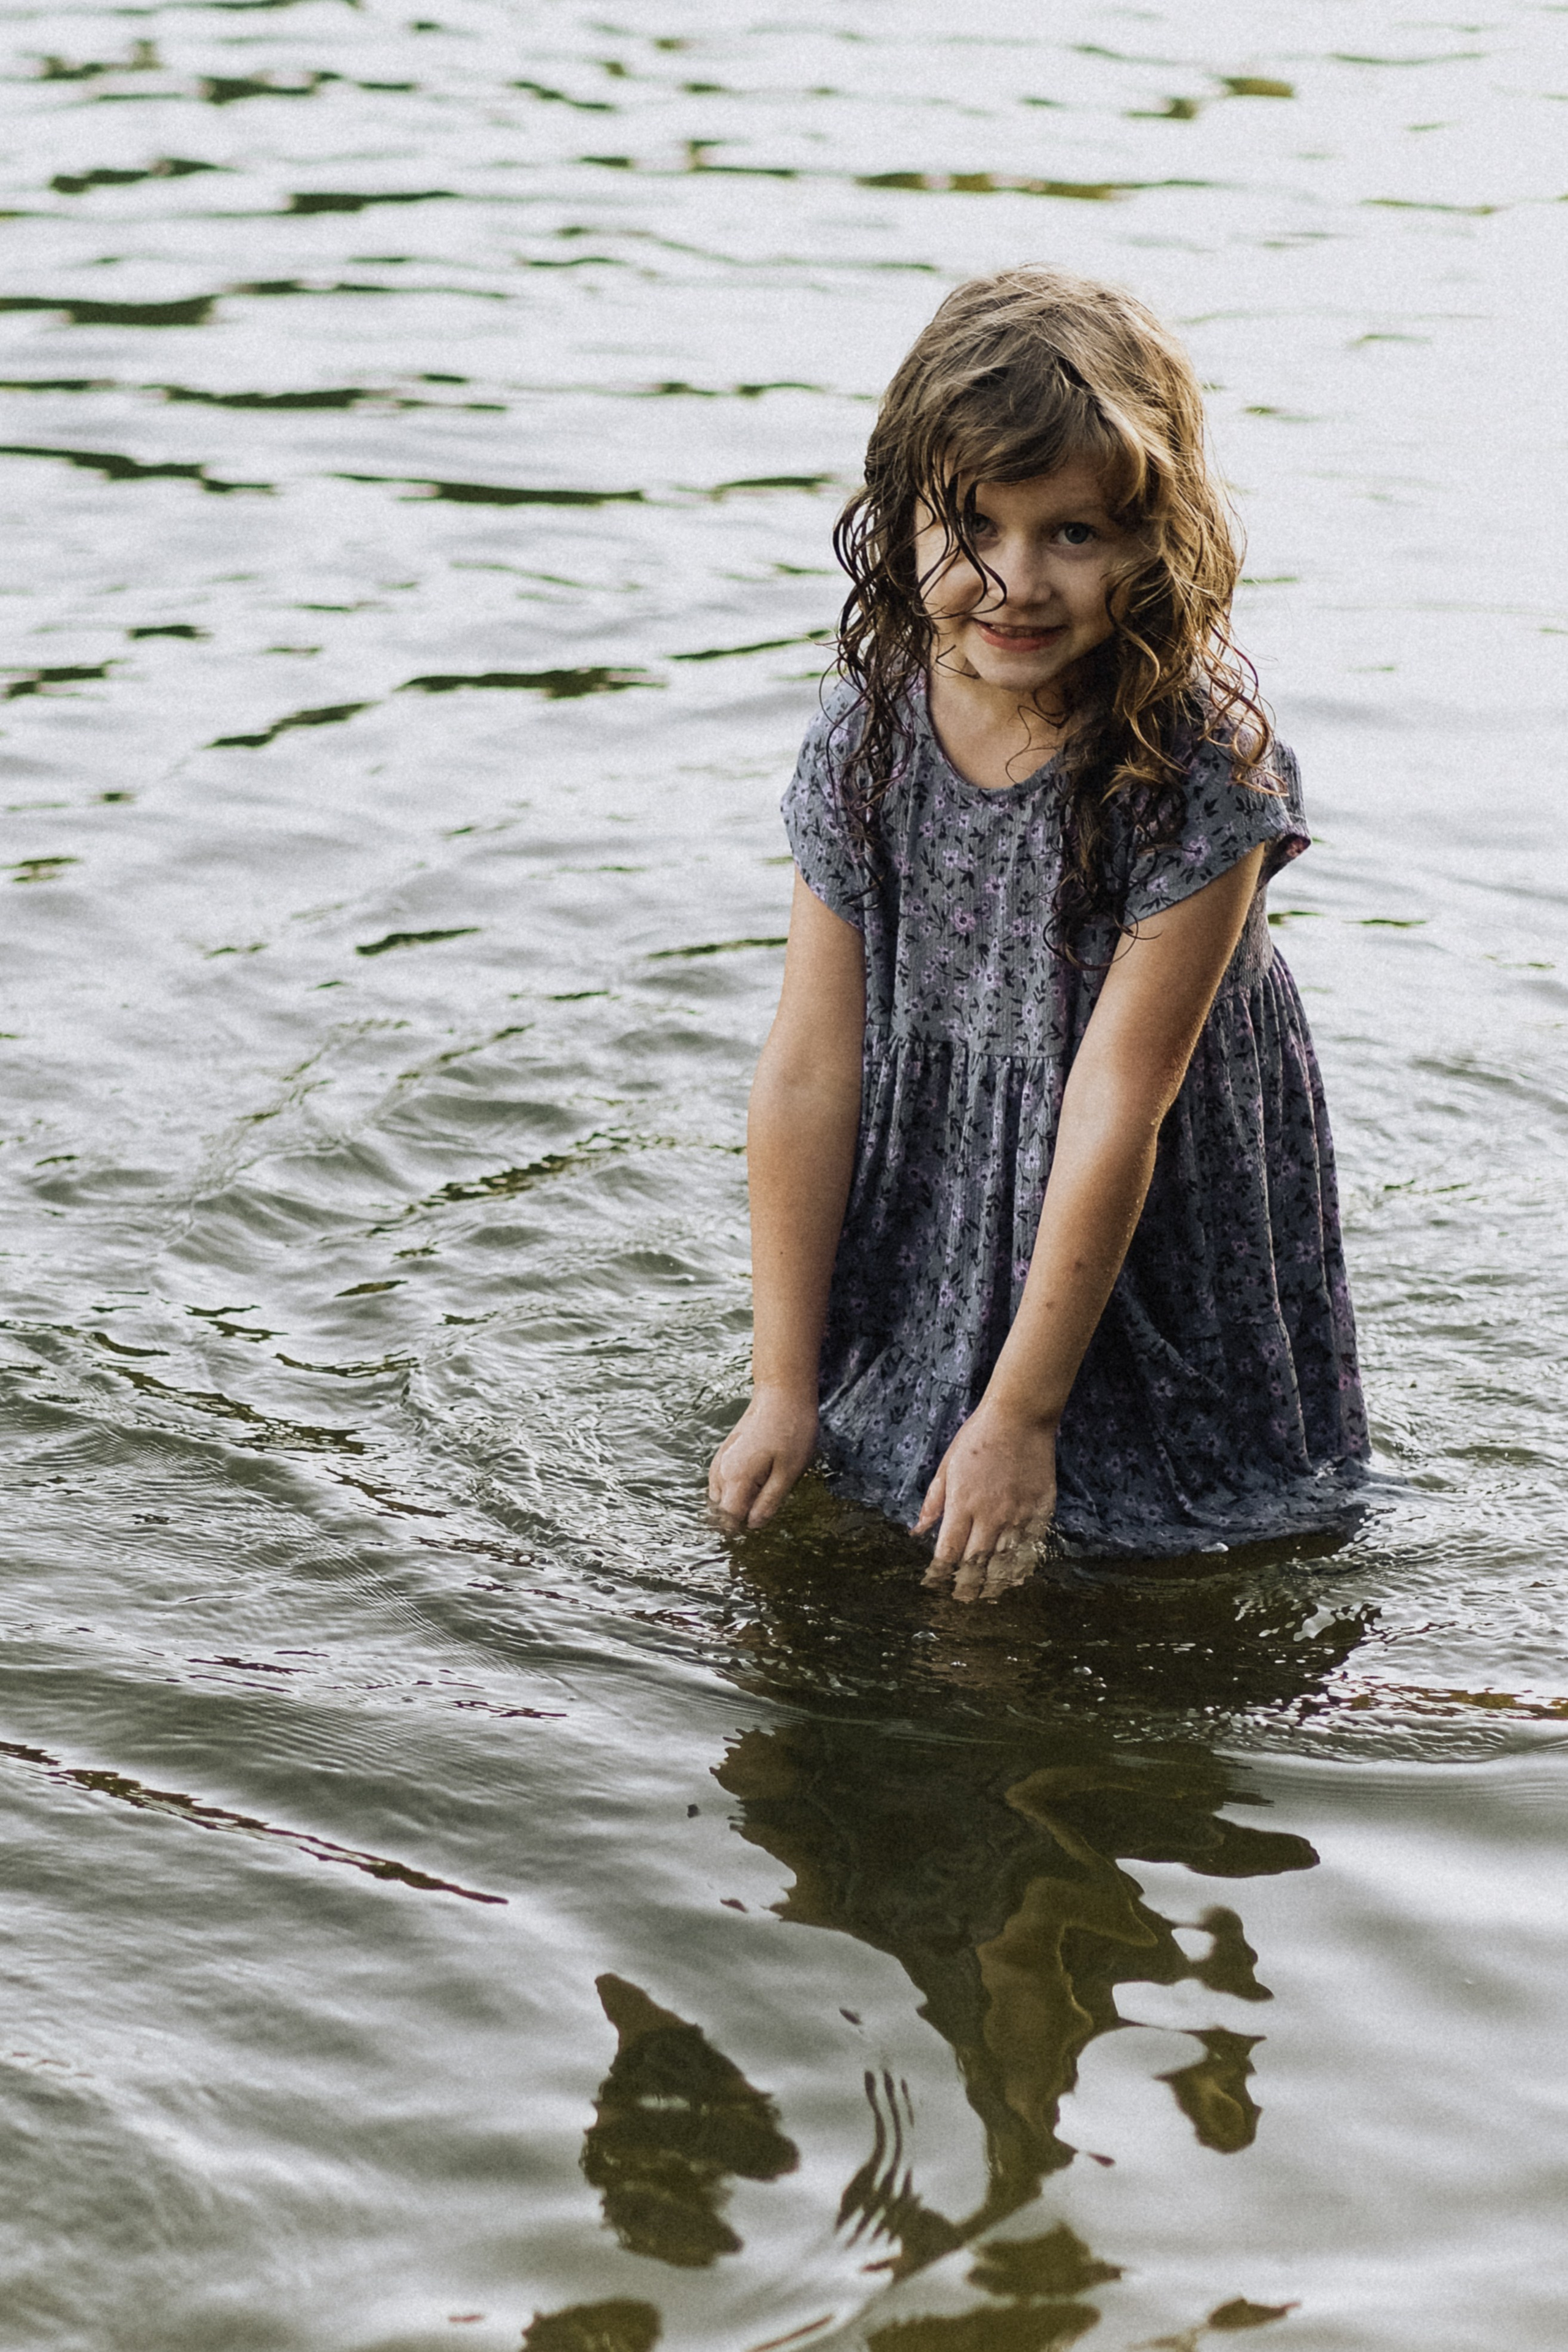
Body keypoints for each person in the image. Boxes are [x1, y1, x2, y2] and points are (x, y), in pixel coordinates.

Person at [707, 265, 1368, 1601]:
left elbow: (1118, 1103)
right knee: (869, 1520)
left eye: (1071, 534)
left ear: (1154, 540)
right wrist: (780, 1384)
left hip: (1138, 1186)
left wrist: (1020, 1417)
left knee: (1140, 1556)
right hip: (940, 1164)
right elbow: (807, 1066)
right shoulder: (868, 734)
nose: (1013, 582)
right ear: (893, 523)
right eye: (972, 529)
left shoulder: (1196, 773)